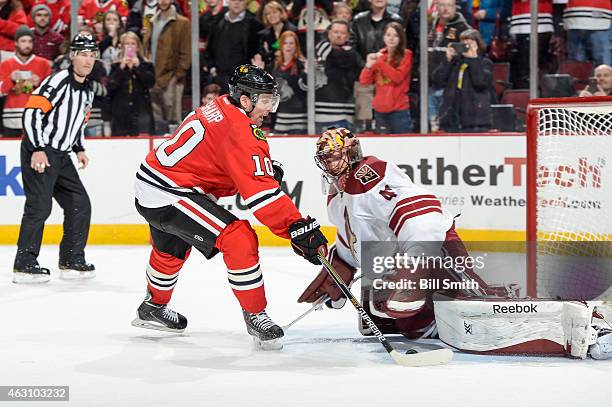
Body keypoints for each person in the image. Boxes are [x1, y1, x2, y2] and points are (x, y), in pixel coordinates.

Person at [131, 64, 328, 348]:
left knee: (171, 248)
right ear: (245, 100)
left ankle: (153, 307)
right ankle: (255, 314)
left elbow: (219, 160)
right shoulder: (241, 131)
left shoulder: (222, 104)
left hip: (152, 182)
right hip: (170, 191)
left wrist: (256, 168)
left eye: (271, 99)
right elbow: (262, 195)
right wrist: (295, 228)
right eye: (264, 100)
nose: (269, 108)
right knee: (238, 238)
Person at [298, 127, 493, 338]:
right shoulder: (337, 194)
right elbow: (354, 237)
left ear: (351, 153)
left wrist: (414, 265)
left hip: (434, 246)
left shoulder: (371, 174)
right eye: (324, 158)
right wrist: (341, 264)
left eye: (334, 157)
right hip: (395, 261)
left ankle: (497, 313)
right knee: (405, 321)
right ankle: (436, 322)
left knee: (471, 300)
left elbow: (419, 210)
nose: (329, 164)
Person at [13, 33, 98, 284]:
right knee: (39, 207)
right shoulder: (59, 81)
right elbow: (31, 112)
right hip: (40, 150)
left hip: (61, 155)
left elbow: (78, 122)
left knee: (80, 203)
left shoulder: (88, 89)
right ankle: (25, 263)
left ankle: (72, 260)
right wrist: (38, 147)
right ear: (72, 56)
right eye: (83, 54)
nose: (88, 60)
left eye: (92, 55)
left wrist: (79, 148)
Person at [432, 29, 493, 132]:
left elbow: (480, 83)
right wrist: (447, 60)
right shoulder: (455, 62)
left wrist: (474, 59)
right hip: (451, 115)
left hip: (475, 118)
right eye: (463, 43)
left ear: (478, 45)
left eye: (470, 43)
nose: (466, 46)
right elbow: (437, 81)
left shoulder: (484, 63)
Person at [359, 21, 413, 134]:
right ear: (384, 37)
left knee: (402, 146)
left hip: (399, 111)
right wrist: (368, 65)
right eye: (388, 35)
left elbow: (397, 77)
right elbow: (364, 81)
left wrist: (380, 62)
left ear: (401, 38)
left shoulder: (406, 55)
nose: (391, 38)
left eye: (395, 35)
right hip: (380, 111)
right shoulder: (380, 55)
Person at [143, 0, 191, 125]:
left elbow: (186, 54)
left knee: (173, 122)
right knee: (157, 121)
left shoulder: (182, 23)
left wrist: (176, 77)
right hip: (152, 77)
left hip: (171, 79)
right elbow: (147, 48)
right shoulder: (152, 21)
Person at [310, 19, 362, 132]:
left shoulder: (353, 54)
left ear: (348, 36)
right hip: (322, 112)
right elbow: (334, 55)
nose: (338, 35)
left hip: (345, 112)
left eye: (342, 33)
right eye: (335, 32)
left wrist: (348, 53)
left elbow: (358, 68)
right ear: (329, 33)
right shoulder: (322, 48)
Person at [427, 0, 471, 132]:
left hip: (451, 88)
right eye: (442, 5)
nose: (446, 9)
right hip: (431, 84)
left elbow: (467, 58)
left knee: (449, 128)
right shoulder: (430, 26)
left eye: (449, 5)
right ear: (437, 6)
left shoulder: (463, 29)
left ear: (454, 7)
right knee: (433, 128)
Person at [0, 25, 51, 135]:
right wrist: (11, 79)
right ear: (16, 43)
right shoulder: (6, 65)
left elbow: (52, 94)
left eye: (30, 41)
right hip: (11, 119)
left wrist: (40, 84)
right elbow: (1, 91)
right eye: (23, 41)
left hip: (37, 118)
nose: (27, 45)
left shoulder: (43, 64)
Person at [108, 31, 155, 135]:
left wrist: (138, 67)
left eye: (133, 44)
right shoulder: (115, 67)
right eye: (126, 44)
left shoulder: (146, 65)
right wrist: (121, 68)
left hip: (141, 112)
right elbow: (110, 87)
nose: (130, 46)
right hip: (120, 114)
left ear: (138, 47)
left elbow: (150, 83)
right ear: (122, 47)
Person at [270, 30, 307, 134]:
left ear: (296, 46)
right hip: (281, 115)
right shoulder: (276, 65)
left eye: (291, 43)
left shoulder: (301, 65)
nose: (288, 46)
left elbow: (305, 87)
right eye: (285, 43)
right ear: (281, 45)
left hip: (299, 116)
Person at [255, 0, 297, 69]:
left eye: (274, 12)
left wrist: (269, 52)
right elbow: (263, 56)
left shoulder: (292, 31)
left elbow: (296, 52)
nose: (271, 16)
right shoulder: (263, 35)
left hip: (290, 68)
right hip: (271, 69)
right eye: (268, 14)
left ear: (281, 13)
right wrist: (274, 53)